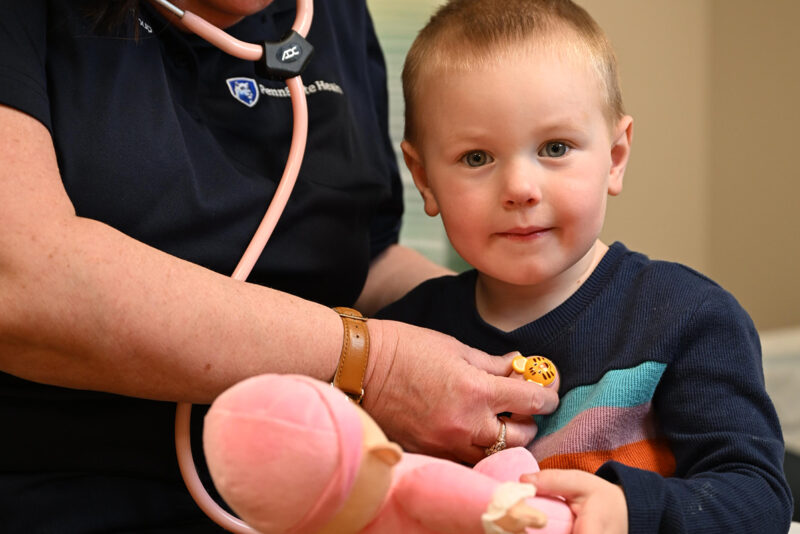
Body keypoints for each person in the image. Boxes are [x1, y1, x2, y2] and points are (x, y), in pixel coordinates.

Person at [0, 1, 559, 532]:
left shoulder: (333, 14)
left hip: (327, 496)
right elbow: (21, 276)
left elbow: (370, 260)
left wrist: (542, 319)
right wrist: (375, 365)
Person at [376, 0, 794, 532]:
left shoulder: (691, 319)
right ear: (424, 178)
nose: (521, 190)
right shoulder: (402, 345)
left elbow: (757, 499)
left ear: (615, 157)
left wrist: (631, 510)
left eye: (555, 147)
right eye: (477, 158)